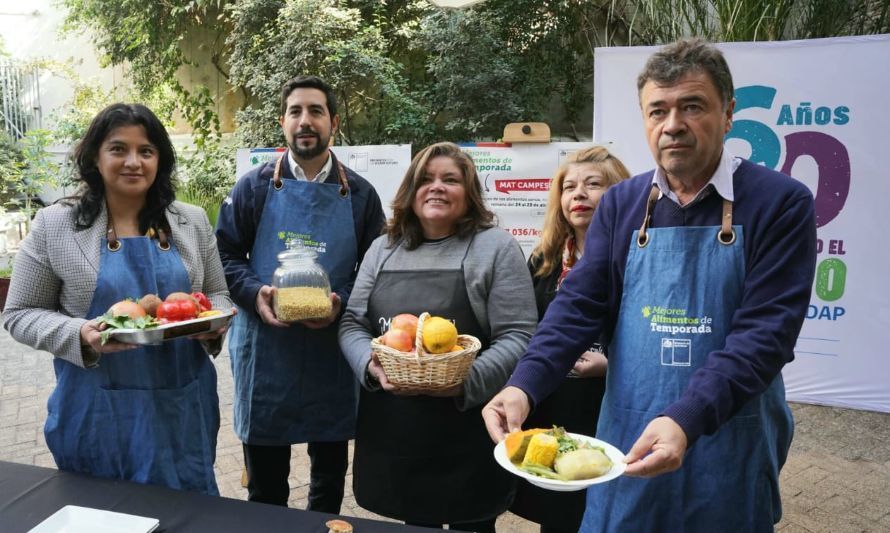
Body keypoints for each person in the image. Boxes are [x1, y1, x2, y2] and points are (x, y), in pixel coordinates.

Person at [483, 38, 817, 532]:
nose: (673, 124)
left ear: (728, 113)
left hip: (730, 434)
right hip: (630, 433)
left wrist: (685, 417)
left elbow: (764, 336)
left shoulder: (780, 202)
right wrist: (523, 386)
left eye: (692, 106)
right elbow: (578, 307)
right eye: (657, 110)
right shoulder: (622, 204)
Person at [2, 103, 232, 494]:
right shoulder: (56, 225)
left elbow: (217, 293)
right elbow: (20, 313)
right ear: (95, 156)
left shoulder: (190, 221)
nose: (133, 162)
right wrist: (81, 334)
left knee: (187, 512)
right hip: (95, 410)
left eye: (146, 151)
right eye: (118, 149)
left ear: (160, 158)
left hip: (182, 409)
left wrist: (211, 326)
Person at [339, 142, 537, 532]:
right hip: (398, 430)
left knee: (472, 524)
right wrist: (371, 366)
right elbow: (351, 323)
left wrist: (466, 382)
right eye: (426, 179)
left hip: (467, 430)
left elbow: (520, 334)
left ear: (470, 193)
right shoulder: (383, 249)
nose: (437, 187)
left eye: (451, 179)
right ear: (410, 192)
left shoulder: (495, 248)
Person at [216, 75, 385, 511]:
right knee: (265, 489)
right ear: (283, 122)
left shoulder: (362, 194)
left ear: (334, 122)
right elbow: (225, 255)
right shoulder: (252, 187)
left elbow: (373, 269)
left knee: (327, 484)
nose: (305, 121)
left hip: (332, 352)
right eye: (296, 112)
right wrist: (256, 294)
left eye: (315, 111)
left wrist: (341, 302)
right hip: (267, 351)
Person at [509, 145, 630, 533]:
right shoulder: (543, 259)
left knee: (607, 506)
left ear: (621, 194)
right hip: (554, 405)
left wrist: (610, 365)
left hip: (609, 407)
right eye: (569, 186)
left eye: (594, 184)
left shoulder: (636, 255)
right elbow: (530, 329)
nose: (579, 194)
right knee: (558, 509)